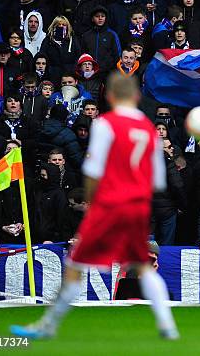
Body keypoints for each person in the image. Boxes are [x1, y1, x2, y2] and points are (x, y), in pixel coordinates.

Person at [11, 73, 179, 340]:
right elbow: (156, 179)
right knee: (144, 265)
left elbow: (92, 169)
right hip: (137, 205)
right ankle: (168, 325)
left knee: (76, 264)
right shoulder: (148, 129)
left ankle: (49, 325)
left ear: (110, 97)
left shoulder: (106, 124)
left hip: (110, 203)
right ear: (136, 97)